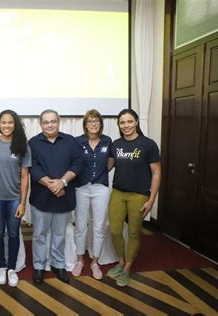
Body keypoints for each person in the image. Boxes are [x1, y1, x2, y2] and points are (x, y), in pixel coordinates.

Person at [107, 109, 161, 287]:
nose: (126, 126)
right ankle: (121, 262)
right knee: (114, 230)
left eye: (130, 122)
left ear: (136, 122)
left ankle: (128, 268)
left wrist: (151, 200)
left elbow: (156, 173)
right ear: (119, 125)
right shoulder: (116, 144)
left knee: (134, 232)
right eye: (122, 123)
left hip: (139, 195)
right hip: (118, 193)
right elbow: (106, 167)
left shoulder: (148, 144)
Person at [28, 109, 83, 284]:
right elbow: (33, 167)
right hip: (41, 198)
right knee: (39, 235)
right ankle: (38, 266)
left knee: (60, 234)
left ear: (59, 122)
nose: (50, 125)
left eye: (53, 121)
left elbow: (77, 164)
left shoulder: (71, 141)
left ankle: (58, 265)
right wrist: (52, 184)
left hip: (64, 197)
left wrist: (63, 182)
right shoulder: (33, 143)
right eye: (46, 122)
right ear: (40, 124)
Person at [0, 110, 31, 287]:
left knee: (13, 233)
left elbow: (25, 176)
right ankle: (2, 266)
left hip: (14, 199)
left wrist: (22, 202)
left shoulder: (23, 146)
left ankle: (12, 268)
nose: (6, 125)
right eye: (3, 122)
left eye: (10, 122)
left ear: (15, 125)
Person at [72, 109, 112, 279]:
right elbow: (73, 162)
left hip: (100, 188)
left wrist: (100, 175)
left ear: (100, 124)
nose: (93, 124)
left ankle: (95, 262)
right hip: (81, 187)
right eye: (90, 121)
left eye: (96, 121)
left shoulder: (107, 141)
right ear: (85, 125)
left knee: (99, 226)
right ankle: (80, 260)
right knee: (81, 225)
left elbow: (111, 162)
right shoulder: (77, 142)